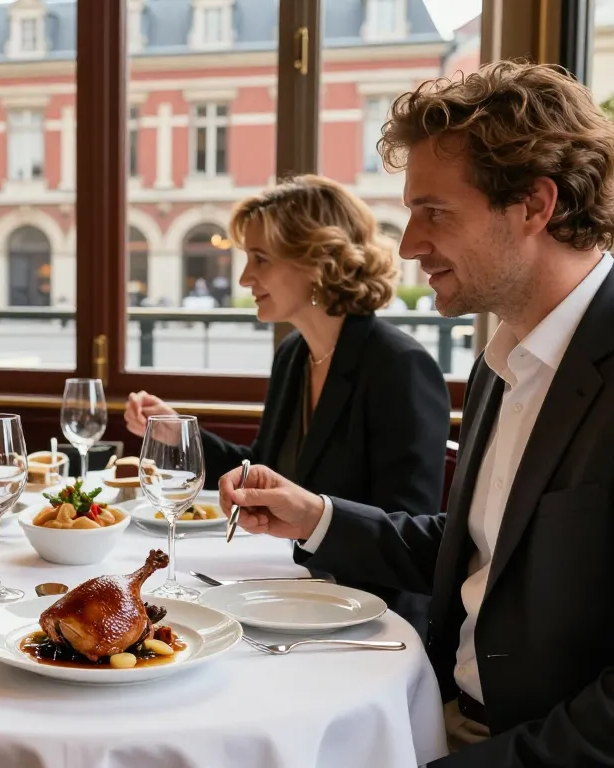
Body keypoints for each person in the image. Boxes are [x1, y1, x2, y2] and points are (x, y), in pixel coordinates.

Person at [218, 61, 614, 766]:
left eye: (434, 211)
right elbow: (480, 552)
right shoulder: (507, 357)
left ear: (533, 205)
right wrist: (318, 519)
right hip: (441, 709)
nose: (407, 246)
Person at [126, 176, 451, 636]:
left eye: (260, 258)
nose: (243, 278)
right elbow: (264, 467)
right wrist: (176, 432)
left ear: (318, 261)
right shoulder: (296, 353)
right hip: (299, 595)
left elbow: (410, 532)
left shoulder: (399, 367)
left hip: (372, 619)